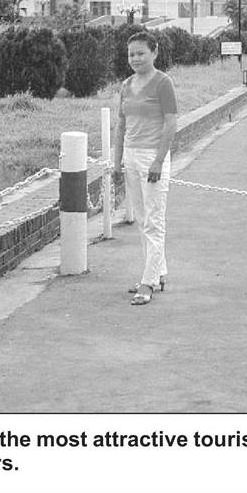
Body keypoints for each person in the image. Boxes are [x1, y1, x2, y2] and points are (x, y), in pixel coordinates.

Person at [112, 32, 178, 306]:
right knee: (142, 220)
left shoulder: (163, 83)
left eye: (141, 53)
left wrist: (158, 161)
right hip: (131, 156)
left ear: (154, 52)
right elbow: (121, 125)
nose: (135, 58)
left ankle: (148, 282)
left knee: (154, 221)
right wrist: (117, 161)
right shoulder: (126, 85)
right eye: (131, 54)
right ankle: (157, 273)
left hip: (153, 157)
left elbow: (171, 123)